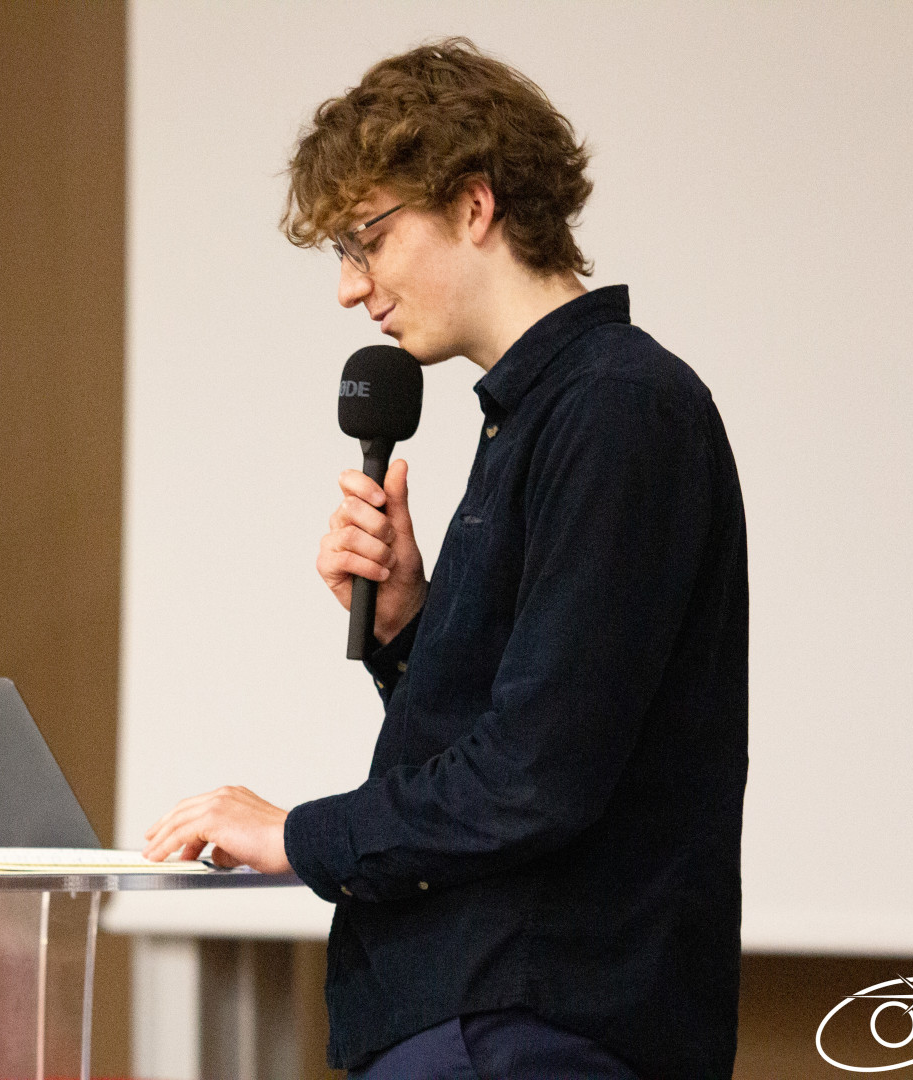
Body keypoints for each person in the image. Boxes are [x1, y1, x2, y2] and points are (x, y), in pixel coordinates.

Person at [143, 39, 746, 1080]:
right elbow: (530, 724)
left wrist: (298, 835)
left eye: (365, 239)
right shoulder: (541, 414)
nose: (347, 288)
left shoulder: (616, 410)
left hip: (531, 1025)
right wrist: (408, 630)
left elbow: (536, 778)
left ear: (475, 206)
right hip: (487, 1018)